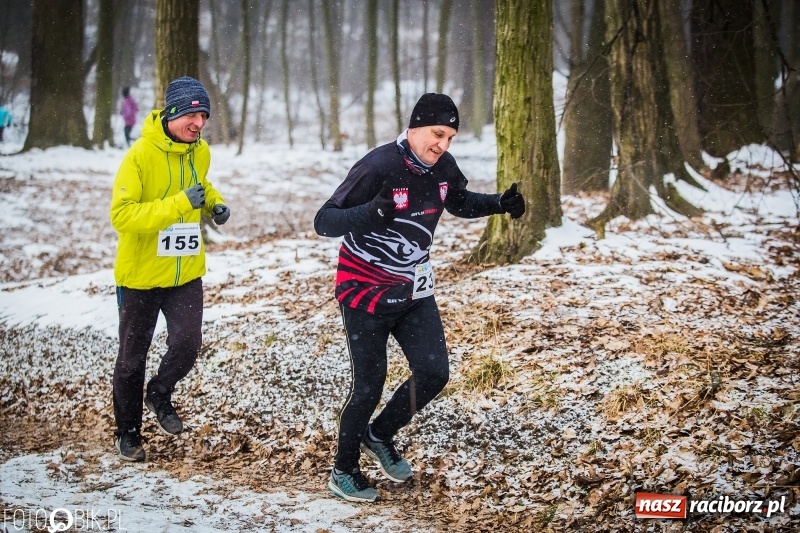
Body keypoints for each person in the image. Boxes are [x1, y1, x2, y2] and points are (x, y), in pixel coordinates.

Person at [314, 93, 525, 502]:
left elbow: (458, 201)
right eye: (437, 134)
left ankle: (379, 434)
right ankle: (342, 470)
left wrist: (499, 203)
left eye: (450, 137)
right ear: (413, 128)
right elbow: (325, 221)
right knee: (368, 386)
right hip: (364, 291)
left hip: (413, 291)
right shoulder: (378, 167)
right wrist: (369, 213)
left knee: (434, 372)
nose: (442, 145)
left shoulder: (443, 167)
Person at [109, 76, 232, 462]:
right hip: (141, 276)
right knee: (132, 360)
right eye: (192, 116)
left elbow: (201, 184)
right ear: (173, 113)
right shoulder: (139, 156)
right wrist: (181, 204)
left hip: (185, 273)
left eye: (204, 117)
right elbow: (122, 215)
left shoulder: (200, 152)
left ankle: (159, 393)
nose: (199, 124)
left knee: (187, 344)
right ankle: (127, 433)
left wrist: (214, 203)